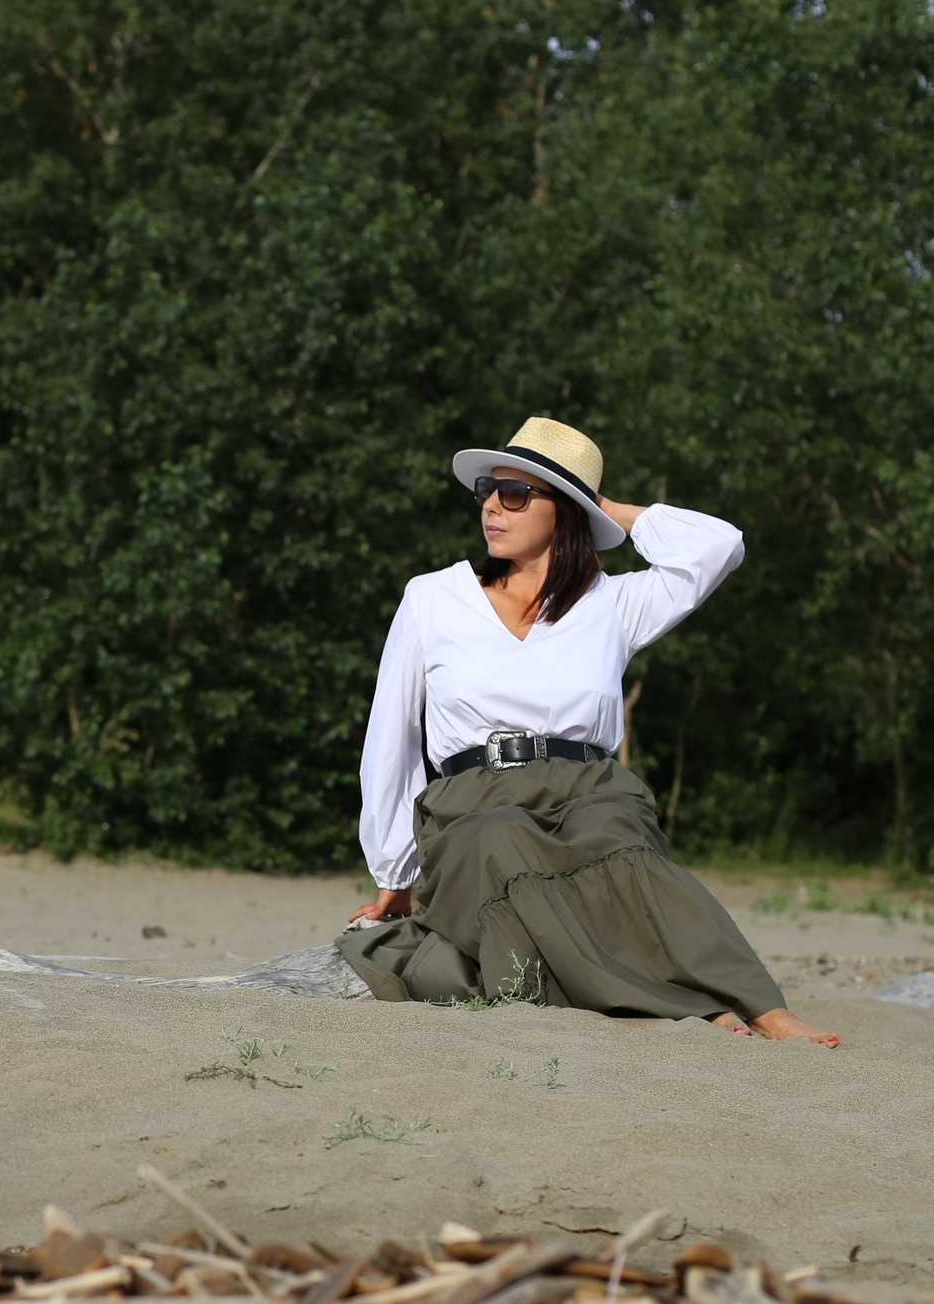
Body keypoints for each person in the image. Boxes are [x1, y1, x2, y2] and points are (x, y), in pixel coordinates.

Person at [337, 417, 837, 1046]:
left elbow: (720, 547)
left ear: (565, 511)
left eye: (517, 493)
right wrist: (394, 873)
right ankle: (689, 1006)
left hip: (589, 789)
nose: (492, 504)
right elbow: (391, 734)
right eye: (488, 489)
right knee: (503, 838)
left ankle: (763, 1005)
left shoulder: (613, 603)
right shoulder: (432, 597)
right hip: (473, 802)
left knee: (620, 847)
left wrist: (602, 506)